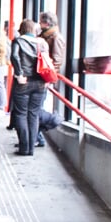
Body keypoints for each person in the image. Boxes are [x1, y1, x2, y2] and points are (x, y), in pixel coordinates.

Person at [10, 19, 49, 156]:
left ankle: (24, 147)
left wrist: (19, 73)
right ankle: (31, 148)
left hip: (23, 82)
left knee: (21, 114)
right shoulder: (42, 43)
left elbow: (14, 56)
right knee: (33, 115)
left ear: (22, 29)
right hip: (40, 83)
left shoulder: (18, 41)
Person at [36, 11, 66, 146]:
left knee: (36, 109)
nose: (39, 24)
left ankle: (54, 119)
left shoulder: (55, 38)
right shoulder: (45, 36)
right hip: (40, 77)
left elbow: (57, 61)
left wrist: (48, 78)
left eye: (41, 21)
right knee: (35, 108)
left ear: (47, 23)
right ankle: (37, 136)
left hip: (44, 78)